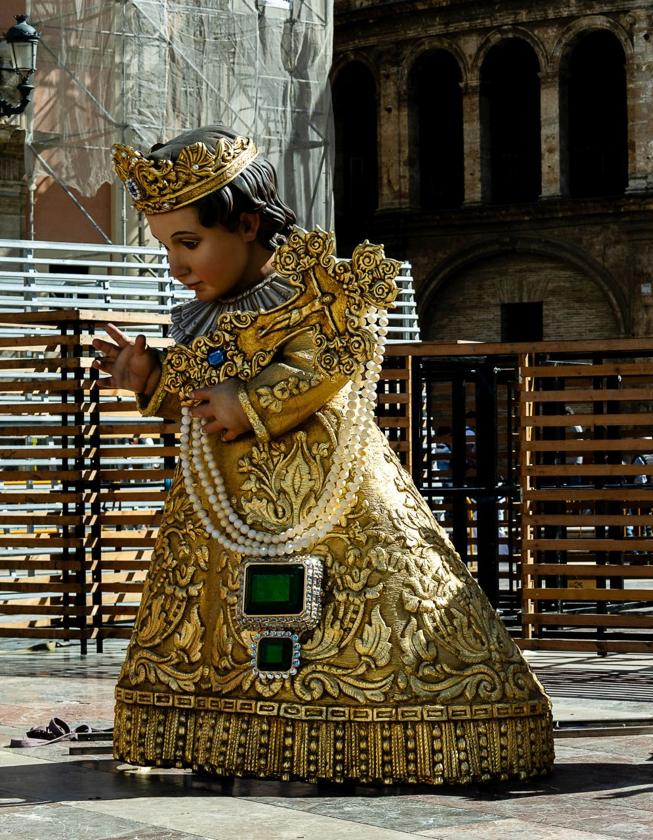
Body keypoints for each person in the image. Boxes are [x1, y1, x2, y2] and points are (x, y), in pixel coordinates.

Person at [92, 127, 553, 783]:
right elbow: (205, 388)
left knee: (355, 611)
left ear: (247, 224)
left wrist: (248, 403)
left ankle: (375, 734)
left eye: (188, 244)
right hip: (221, 506)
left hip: (328, 494)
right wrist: (153, 379)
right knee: (221, 623)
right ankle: (231, 729)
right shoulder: (204, 314)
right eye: (168, 247)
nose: (177, 265)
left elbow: (326, 365)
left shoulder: (314, 292)